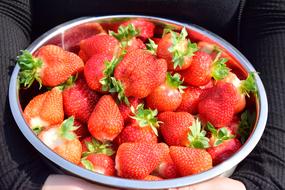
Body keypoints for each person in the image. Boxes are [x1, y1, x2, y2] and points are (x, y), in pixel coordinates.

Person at [0, 0, 284, 189]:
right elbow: (7, 8)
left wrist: (260, 179)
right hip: (45, 165)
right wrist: (19, 176)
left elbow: (275, 18)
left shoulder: (178, 92)